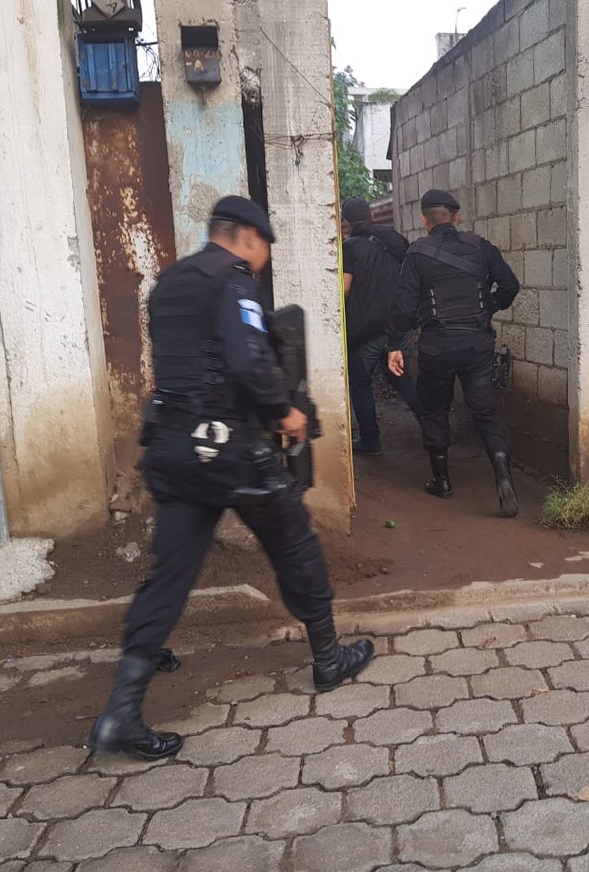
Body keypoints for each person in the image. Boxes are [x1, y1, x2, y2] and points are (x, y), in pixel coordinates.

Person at [88, 196, 374, 761]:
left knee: (171, 570)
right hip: (228, 450)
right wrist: (285, 412)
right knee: (293, 541)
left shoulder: (169, 285)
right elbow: (246, 362)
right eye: (264, 246)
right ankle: (327, 658)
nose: (264, 259)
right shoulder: (234, 282)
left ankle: (122, 710)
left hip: (172, 448)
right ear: (246, 237)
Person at [388, 189, 522, 517]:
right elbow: (510, 286)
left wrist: (394, 344)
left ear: (424, 219)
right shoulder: (481, 248)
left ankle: (442, 481)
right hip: (477, 345)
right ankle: (503, 479)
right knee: (486, 413)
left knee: (435, 410)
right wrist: (485, 309)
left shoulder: (417, 254)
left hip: (436, 347)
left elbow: (404, 307)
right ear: (456, 216)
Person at [341, 197, 422, 455]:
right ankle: (433, 427)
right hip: (397, 326)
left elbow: (344, 288)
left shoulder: (350, 247)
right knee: (400, 377)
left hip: (366, 330)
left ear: (347, 222)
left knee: (360, 383)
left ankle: (370, 440)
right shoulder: (394, 242)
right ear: (372, 217)